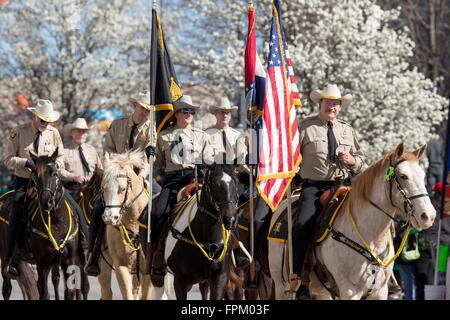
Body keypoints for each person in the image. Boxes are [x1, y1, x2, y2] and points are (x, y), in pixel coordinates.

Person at [291, 84, 365, 299]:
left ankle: (374, 273)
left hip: (344, 186)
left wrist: (352, 161)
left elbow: (361, 160)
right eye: (328, 102)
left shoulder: (347, 130)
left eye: (335, 103)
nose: (331, 106)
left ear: (340, 107)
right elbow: (291, 157)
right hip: (314, 187)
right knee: (303, 224)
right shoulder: (306, 127)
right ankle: (300, 278)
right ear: (320, 103)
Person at [84, 90, 157, 276]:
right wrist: (110, 168)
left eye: (148, 109)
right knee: (99, 206)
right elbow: (107, 149)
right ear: (135, 106)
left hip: (140, 177)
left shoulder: (152, 129)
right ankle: (93, 255)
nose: (146, 112)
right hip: (116, 177)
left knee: (161, 205)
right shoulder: (118, 125)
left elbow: (151, 157)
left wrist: (142, 174)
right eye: (143, 108)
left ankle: (158, 258)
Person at [149, 95, 215, 276]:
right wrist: (150, 154)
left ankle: (231, 253)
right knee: (157, 213)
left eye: (192, 111)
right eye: (185, 111)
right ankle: (157, 254)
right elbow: (158, 164)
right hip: (173, 179)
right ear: (176, 113)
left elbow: (210, 159)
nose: (189, 114)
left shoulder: (202, 136)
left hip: (197, 178)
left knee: (219, 210)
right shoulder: (163, 136)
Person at [3, 99, 64, 278]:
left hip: (48, 182)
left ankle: (81, 251)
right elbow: (7, 159)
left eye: (48, 121)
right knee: (16, 210)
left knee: (72, 207)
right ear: (35, 116)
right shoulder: (18, 132)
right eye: (43, 120)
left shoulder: (54, 133)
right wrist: (25, 162)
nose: (46, 124)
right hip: (25, 180)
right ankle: (11, 258)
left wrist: (54, 166)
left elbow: (61, 157)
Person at [59, 118, 103, 240]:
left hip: (91, 190)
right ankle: (76, 238)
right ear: (72, 133)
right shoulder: (63, 150)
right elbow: (59, 170)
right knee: (72, 212)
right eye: (78, 131)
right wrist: (74, 177)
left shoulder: (91, 150)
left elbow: (100, 170)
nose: (81, 134)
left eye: (83, 131)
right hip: (71, 189)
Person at [205, 97, 240, 164]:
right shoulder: (206, 134)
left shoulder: (237, 136)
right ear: (215, 114)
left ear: (230, 115)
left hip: (232, 172)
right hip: (214, 172)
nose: (225, 115)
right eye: (221, 112)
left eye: (228, 113)